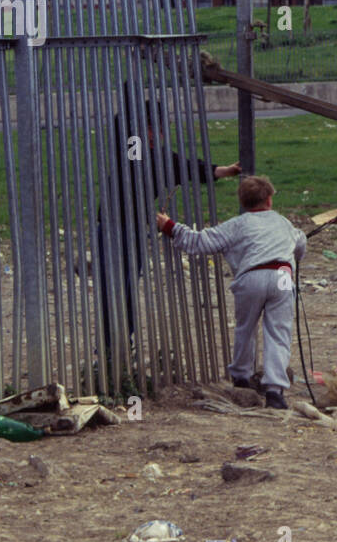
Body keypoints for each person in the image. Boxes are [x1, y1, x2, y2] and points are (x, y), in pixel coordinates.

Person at [96, 81, 239, 363]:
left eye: (159, 129)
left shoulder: (162, 158)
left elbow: (194, 168)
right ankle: (109, 348)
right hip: (109, 224)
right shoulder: (127, 147)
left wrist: (228, 171)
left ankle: (124, 345)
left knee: (125, 285)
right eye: (150, 128)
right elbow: (119, 123)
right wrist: (132, 93)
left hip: (135, 227)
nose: (155, 134)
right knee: (108, 285)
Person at [156, 176, 306, 410]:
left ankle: (241, 377)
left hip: (251, 277)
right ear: (269, 200)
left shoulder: (237, 224)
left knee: (246, 328)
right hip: (283, 277)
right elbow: (300, 243)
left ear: (243, 202)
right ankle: (275, 392)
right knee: (279, 333)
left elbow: (200, 242)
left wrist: (169, 226)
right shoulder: (283, 222)